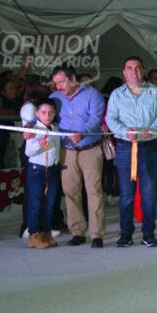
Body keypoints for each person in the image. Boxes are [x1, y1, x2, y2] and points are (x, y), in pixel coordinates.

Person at [105, 56, 157, 248]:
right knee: (126, 194)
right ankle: (126, 233)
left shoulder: (155, 92)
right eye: (130, 68)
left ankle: (148, 233)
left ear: (143, 71)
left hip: (149, 147)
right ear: (124, 73)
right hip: (126, 148)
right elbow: (111, 118)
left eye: (138, 68)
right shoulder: (117, 94)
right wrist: (125, 132)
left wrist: (154, 128)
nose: (134, 71)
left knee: (148, 192)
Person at [49, 65, 107, 248]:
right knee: (70, 192)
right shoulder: (54, 98)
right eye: (55, 82)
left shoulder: (93, 95)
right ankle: (77, 232)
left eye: (61, 81)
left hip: (90, 148)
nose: (58, 86)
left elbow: (95, 120)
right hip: (67, 150)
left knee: (94, 191)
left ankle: (97, 234)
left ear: (72, 78)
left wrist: (82, 132)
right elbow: (48, 119)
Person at [24, 98, 62, 249]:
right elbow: (28, 152)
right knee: (36, 203)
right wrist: (39, 145)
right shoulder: (33, 129)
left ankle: (46, 232)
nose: (48, 115)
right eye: (44, 112)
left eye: (51, 112)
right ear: (37, 113)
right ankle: (34, 234)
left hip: (52, 169)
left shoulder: (55, 128)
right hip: (37, 170)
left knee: (50, 203)